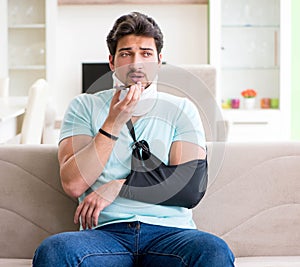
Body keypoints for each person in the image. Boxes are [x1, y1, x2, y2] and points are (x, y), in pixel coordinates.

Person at [33, 11, 235, 266]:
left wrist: (121, 185)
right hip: (105, 235)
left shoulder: (182, 109)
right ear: (112, 61)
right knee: (54, 250)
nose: (136, 63)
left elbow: (190, 187)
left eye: (146, 54)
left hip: (171, 234)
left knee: (214, 250)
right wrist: (113, 122)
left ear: (160, 61)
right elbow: (74, 184)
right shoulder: (84, 107)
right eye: (126, 54)